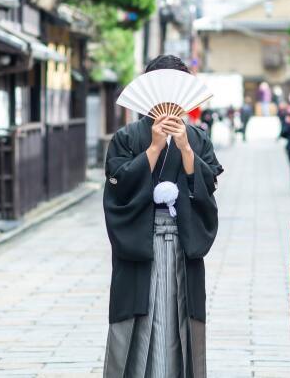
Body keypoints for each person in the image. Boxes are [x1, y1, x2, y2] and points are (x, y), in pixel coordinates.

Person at [103, 55, 224, 378]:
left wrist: (185, 150)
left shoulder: (197, 139)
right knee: (140, 324)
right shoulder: (127, 137)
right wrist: (154, 148)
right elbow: (119, 187)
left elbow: (207, 186)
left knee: (180, 318)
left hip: (184, 243)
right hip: (141, 243)